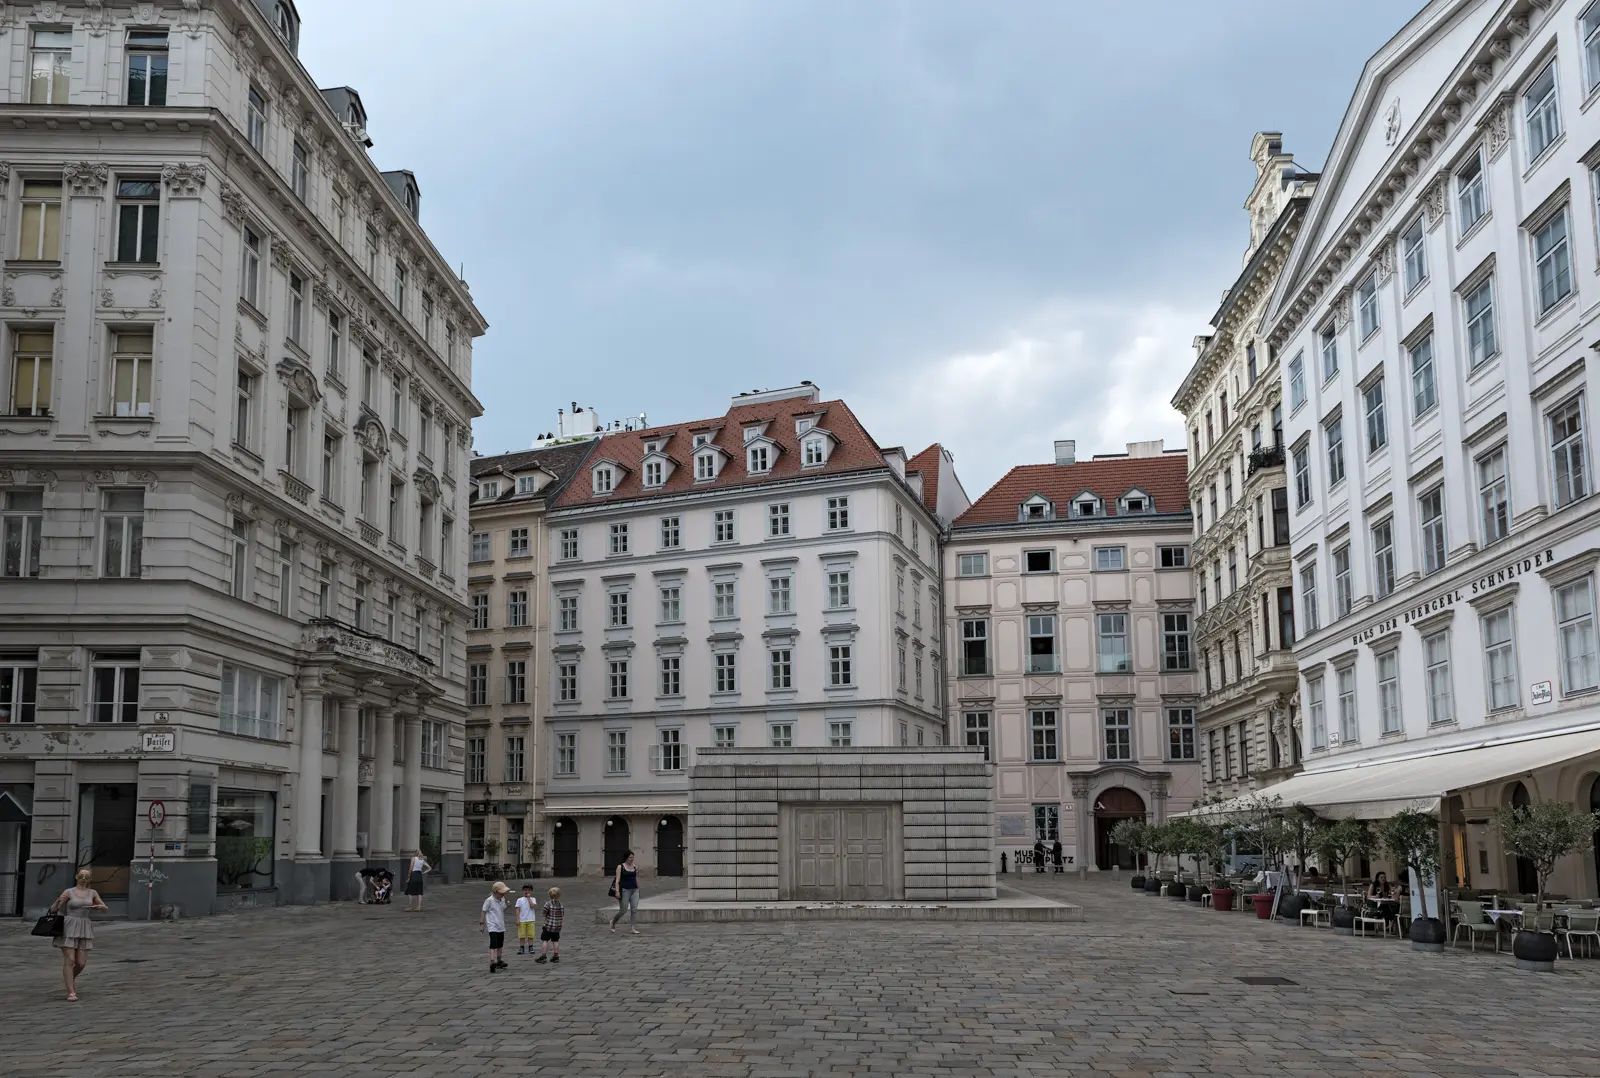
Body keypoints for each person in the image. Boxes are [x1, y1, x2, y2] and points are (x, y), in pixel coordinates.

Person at [49, 868, 109, 1002]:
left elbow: (105, 908)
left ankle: (70, 978)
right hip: (69, 925)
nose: (83, 878)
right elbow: (53, 910)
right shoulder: (69, 891)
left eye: (86, 876)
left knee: (81, 963)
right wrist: (59, 901)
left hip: (84, 926)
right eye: (81, 875)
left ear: (90, 878)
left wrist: (99, 907)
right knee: (70, 960)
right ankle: (71, 992)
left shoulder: (92, 892)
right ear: (76, 876)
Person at [479, 881, 509, 973]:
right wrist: (481, 924)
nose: (503, 894)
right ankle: (492, 962)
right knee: (493, 944)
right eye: (501, 893)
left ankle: (499, 960)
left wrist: (507, 906)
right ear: (496, 892)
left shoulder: (502, 899)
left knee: (500, 944)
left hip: (501, 925)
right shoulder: (489, 900)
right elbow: (483, 911)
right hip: (492, 926)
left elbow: (502, 909)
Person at [610, 850, 641, 934]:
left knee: (634, 909)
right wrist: (617, 891)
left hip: (634, 890)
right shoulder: (620, 867)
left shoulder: (634, 867)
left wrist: (638, 888)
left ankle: (632, 928)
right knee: (623, 910)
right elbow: (617, 880)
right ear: (626, 858)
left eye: (633, 857)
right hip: (624, 890)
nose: (632, 859)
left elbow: (636, 878)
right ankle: (613, 922)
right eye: (630, 857)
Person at [536, 886, 564, 964]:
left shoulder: (548, 904)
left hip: (548, 926)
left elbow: (544, 912)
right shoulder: (561, 905)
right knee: (555, 941)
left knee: (545, 940)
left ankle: (543, 955)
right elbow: (562, 914)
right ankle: (556, 956)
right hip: (557, 927)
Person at [514, 884, 538, 955]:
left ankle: (531, 947)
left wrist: (529, 898)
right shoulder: (519, 900)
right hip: (522, 920)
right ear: (523, 891)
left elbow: (532, 906)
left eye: (528, 890)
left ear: (531, 891)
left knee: (531, 935)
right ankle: (521, 947)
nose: (526, 891)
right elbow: (517, 910)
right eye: (525, 890)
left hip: (531, 919)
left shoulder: (533, 899)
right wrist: (518, 919)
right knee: (522, 935)